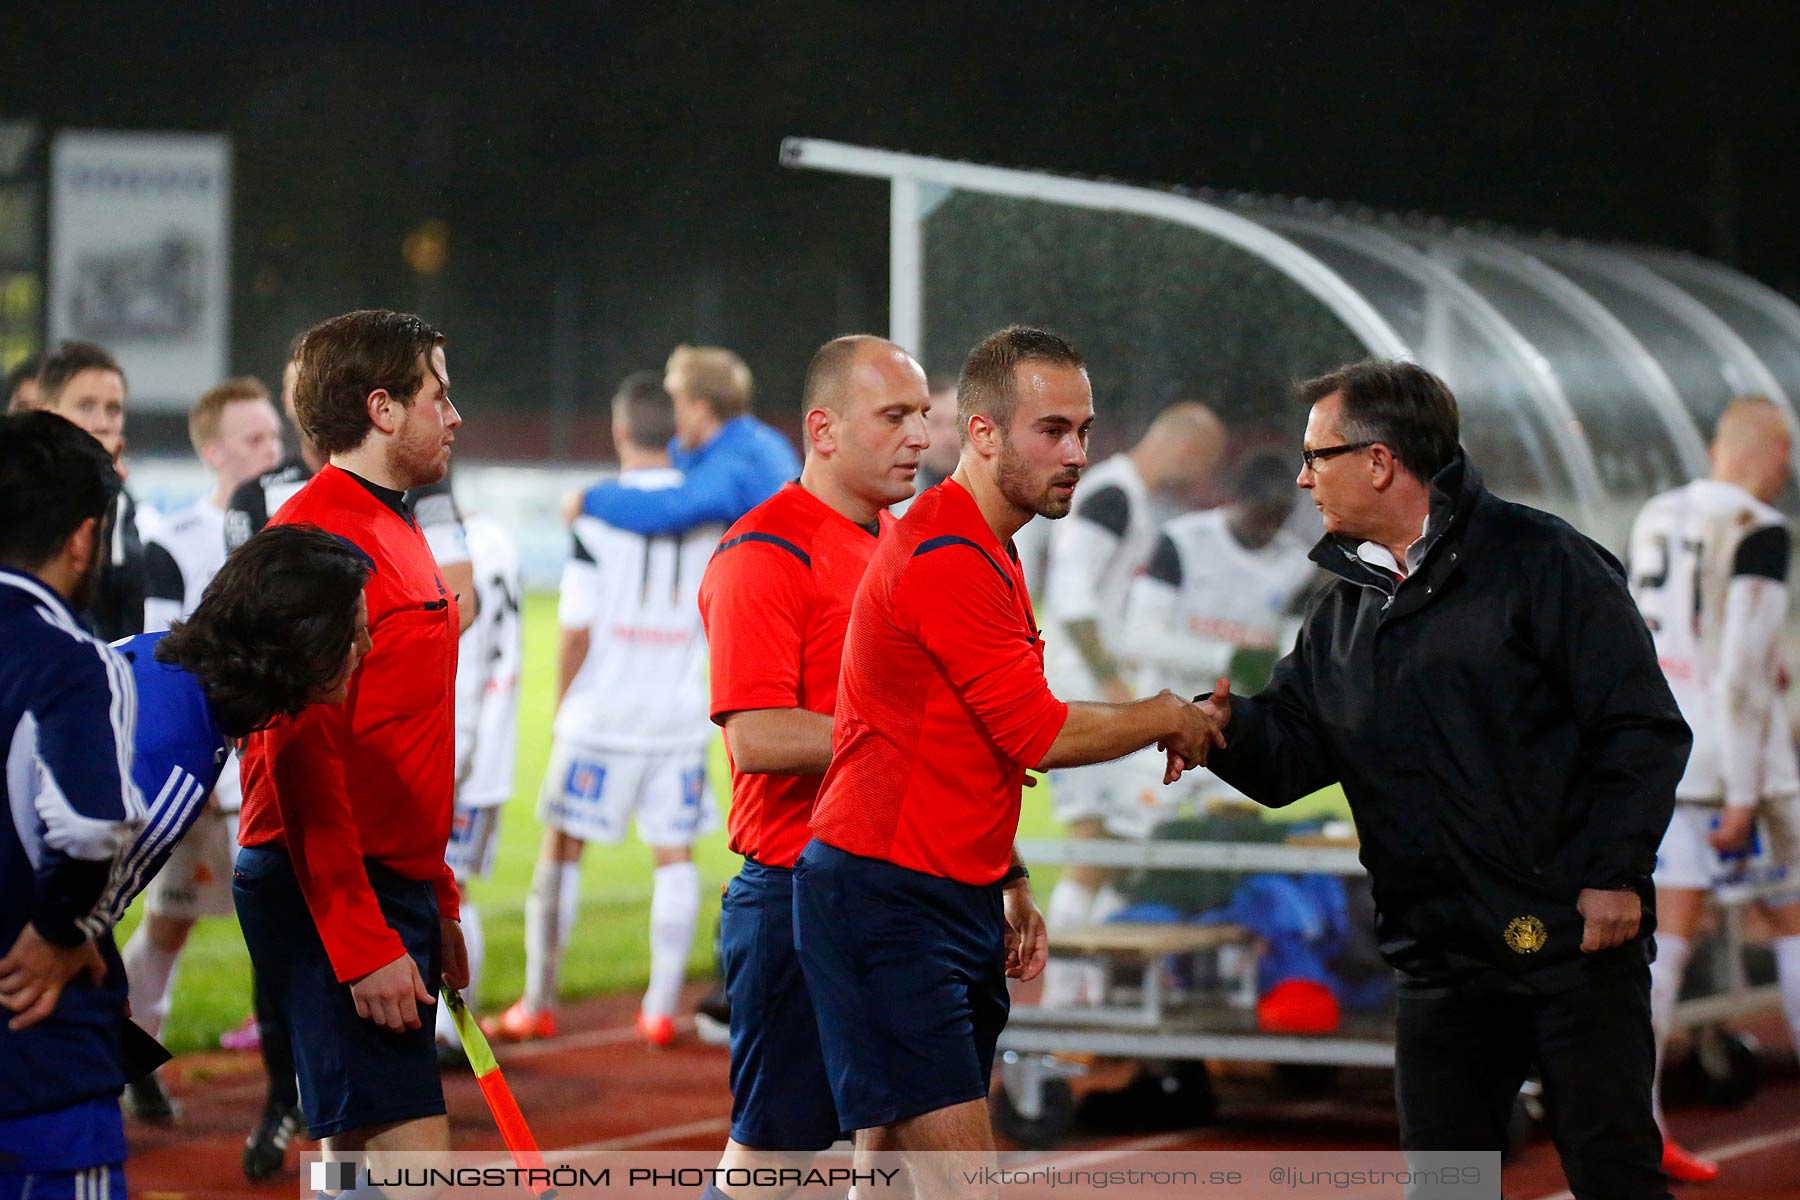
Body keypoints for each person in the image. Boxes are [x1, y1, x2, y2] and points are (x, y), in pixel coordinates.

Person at [1198, 359, 1689, 1199]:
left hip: (1571, 942)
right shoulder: (1344, 606)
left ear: (1381, 461)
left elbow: (1640, 727)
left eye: (1318, 455)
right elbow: (1291, 757)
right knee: (1446, 1184)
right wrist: (1218, 730)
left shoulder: (1547, 561)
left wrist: (1613, 873)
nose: (1303, 476)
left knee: (1615, 1179)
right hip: (1440, 956)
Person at [793, 326, 1223, 1178]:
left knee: (886, 1166)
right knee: (960, 1182)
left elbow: (970, 745)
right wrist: (1170, 714)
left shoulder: (986, 542)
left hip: (931, 889)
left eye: (1085, 430)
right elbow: (1039, 732)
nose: (1076, 453)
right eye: (1051, 430)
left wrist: (1008, 875)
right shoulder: (951, 553)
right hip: (889, 899)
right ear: (983, 434)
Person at [233, 310, 469, 1174]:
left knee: (354, 1157)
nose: (454, 415)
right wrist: (362, 939)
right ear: (382, 409)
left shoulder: (389, 523)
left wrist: (436, 896)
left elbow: (410, 735)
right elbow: (294, 757)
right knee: (415, 1164)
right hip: (331, 882)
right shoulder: (318, 542)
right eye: (437, 395)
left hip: (382, 881)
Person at [693, 335, 928, 1197]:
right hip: (797, 894)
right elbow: (756, 736)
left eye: (923, 417)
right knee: (776, 1163)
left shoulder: (908, 544)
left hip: (903, 890)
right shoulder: (765, 551)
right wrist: (923, 740)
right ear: (822, 430)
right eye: (895, 416)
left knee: (899, 1144)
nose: (918, 438)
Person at [487, 372, 720, 1048]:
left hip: (602, 714)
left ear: (620, 431)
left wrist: (563, 705)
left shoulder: (598, 509)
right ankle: (657, 1008)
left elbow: (578, 624)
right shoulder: (707, 507)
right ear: (673, 432)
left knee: (562, 849)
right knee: (673, 855)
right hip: (676, 713)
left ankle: (538, 1001)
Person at [1626, 394, 1800, 1183]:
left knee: (1664, 946)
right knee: (1793, 922)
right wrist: (1743, 791)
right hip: (1739, 768)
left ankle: (1638, 1127)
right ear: (1778, 456)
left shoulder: (1657, 515)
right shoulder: (1760, 529)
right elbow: (1738, 677)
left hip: (1666, 753)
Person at [121, 376, 283, 1125]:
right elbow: (163, 658)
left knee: (292, 930)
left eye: (276, 437)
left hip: (280, 765)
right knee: (170, 920)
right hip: (209, 771)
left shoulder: (295, 531)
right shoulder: (175, 542)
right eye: (254, 440)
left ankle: (297, 1090)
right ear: (214, 451)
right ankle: (132, 1061)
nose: (272, 452)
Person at [1037, 400, 1225, 1007]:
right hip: (1082, 695)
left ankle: (1088, 989)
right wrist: (1113, 685)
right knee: (1097, 846)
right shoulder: (1112, 497)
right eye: (1205, 462)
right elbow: (1071, 597)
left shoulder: (1125, 499)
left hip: (1091, 691)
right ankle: (1066, 997)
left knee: (1115, 846)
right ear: (1184, 446)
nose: (1201, 478)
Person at [0, 410, 142, 1200]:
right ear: (83, 540)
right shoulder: (73, 661)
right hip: (38, 1063)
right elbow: (91, 825)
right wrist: (63, 928)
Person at [227, 349, 478, 635]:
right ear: (286, 402)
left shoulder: (419, 483)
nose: (316, 399)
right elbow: (251, 621)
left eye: (326, 386)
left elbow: (461, 603)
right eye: (302, 388)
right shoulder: (253, 497)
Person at [433, 512, 522, 1065]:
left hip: (452, 747)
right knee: (454, 887)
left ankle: (447, 1031)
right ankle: (453, 1029)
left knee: (442, 890)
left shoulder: (433, 544)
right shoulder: (497, 538)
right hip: (486, 747)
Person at [571, 344, 799, 533]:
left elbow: (671, 509)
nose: (665, 411)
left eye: (672, 401)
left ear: (700, 411)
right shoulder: (752, 442)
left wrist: (588, 500)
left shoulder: (740, 461)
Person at [38, 341, 151, 640]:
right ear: (46, 414)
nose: (101, 423)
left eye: (113, 409)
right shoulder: (21, 503)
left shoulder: (123, 502)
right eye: (85, 406)